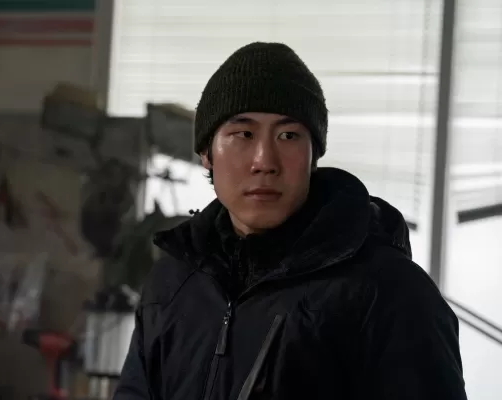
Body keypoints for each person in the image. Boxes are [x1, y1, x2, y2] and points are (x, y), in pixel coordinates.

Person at [113, 42, 467, 400]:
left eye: (288, 136)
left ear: (314, 156)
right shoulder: (172, 281)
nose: (264, 161)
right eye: (243, 134)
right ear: (206, 154)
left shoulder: (389, 292)